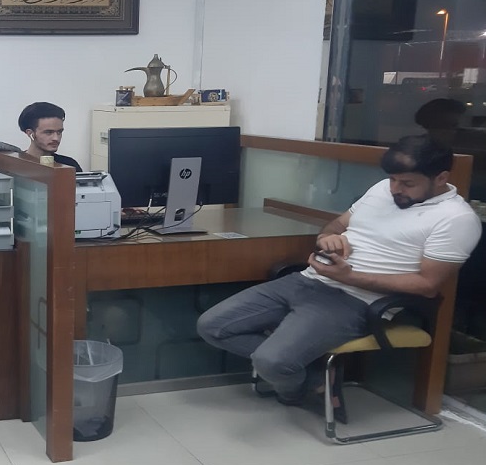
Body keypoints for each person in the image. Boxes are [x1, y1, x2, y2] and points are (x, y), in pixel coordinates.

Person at [196, 135, 481, 417]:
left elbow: (427, 285)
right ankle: (313, 375)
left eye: (407, 183)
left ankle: (300, 388)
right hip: (308, 280)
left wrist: (349, 277)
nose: (396, 189)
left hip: (354, 302)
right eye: (393, 179)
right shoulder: (382, 189)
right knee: (212, 326)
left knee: (271, 362)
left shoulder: (456, 219)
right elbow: (336, 225)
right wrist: (328, 238)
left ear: (441, 178)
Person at [18, 102, 83, 172]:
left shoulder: (69, 165)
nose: (56, 138)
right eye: (48, 132)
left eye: (59, 132)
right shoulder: (15, 164)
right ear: (30, 133)